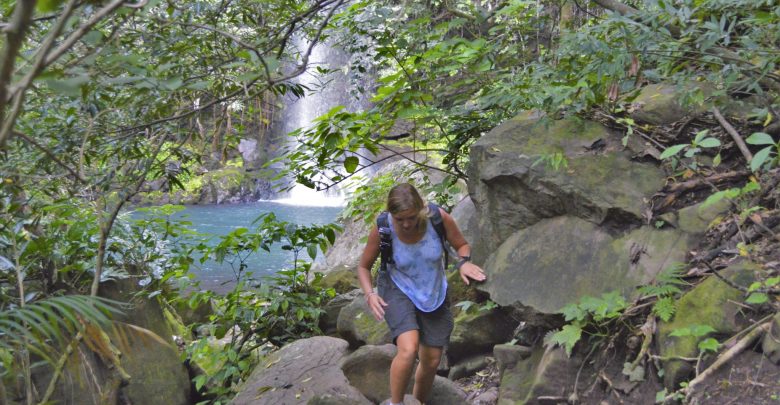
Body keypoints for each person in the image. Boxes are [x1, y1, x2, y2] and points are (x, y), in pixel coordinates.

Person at [356, 183, 486, 405]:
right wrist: (370, 294)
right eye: (400, 219)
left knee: (432, 360)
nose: (406, 224)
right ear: (391, 214)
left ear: (421, 209)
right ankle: (395, 403)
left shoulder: (438, 218)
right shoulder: (382, 229)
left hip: (432, 289)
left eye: (411, 217)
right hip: (397, 287)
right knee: (408, 349)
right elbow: (363, 267)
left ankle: (418, 401)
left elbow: (462, 245)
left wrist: (463, 263)